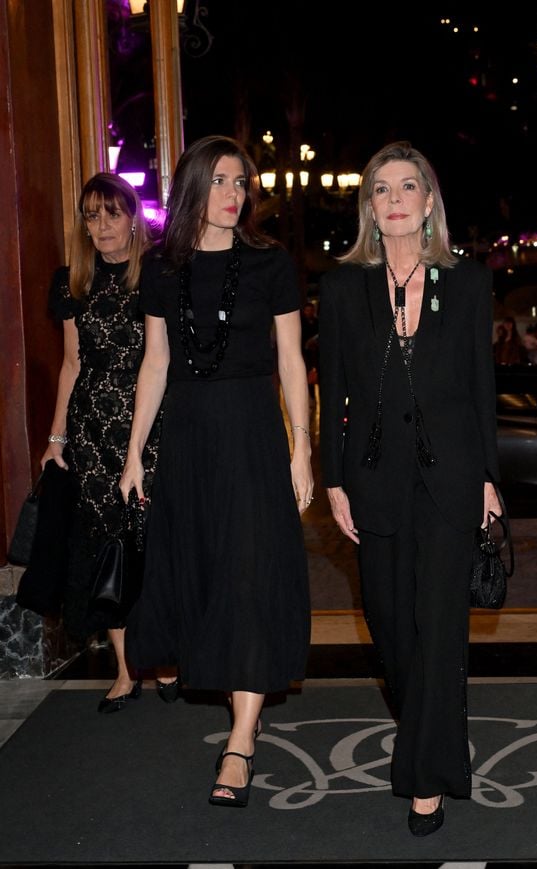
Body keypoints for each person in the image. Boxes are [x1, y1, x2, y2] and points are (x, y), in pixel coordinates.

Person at [119, 135, 312, 808]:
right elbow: (155, 362)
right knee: (211, 575)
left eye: (243, 183)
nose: (235, 194)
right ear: (194, 187)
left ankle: (242, 737)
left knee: (251, 574)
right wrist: (133, 453)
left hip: (254, 435)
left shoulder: (270, 263)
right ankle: (242, 710)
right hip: (192, 441)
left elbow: (291, 360)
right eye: (223, 180)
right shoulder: (161, 269)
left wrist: (302, 449)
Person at [317, 141, 501, 836]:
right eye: (381, 189)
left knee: (437, 630)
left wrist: (490, 478)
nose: (393, 199)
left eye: (406, 187)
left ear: (428, 203)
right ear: (370, 207)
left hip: (451, 480)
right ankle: (433, 742)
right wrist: (332, 478)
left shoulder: (471, 284)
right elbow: (330, 388)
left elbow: (481, 391)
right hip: (372, 479)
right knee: (393, 631)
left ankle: (425, 778)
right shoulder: (341, 288)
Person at [43, 172, 161, 713]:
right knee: (107, 546)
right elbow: (71, 364)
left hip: (151, 428)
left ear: (133, 216)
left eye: (112, 213)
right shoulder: (72, 282)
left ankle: (162, 655)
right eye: (92, 215)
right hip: (91, 431)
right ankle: (123, 669)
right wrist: (55, 437)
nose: (102, 225)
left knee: (154, 543)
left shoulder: (158, 274)